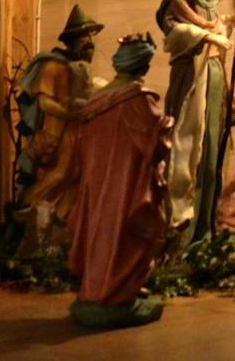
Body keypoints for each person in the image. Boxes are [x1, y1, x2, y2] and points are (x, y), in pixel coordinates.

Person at [67, 34, 173, 329]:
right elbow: (153, 140)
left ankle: (102, 287)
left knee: (101, 230)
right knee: (125, 233)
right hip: (126, 183)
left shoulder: (98, 99)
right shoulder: (136, 99)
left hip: (98, 181)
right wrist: (166, 124)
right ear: (141, 65)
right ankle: (114, 292)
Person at [156, 0, 235, 244]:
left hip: (213, 73)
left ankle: (206, 228)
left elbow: (210, 25)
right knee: (190, 150)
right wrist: (210, 37)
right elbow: (175, 30)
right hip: (193, 77)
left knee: (213, 151)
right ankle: (183, 231)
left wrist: (226, 23)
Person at [15, 4, 103, 227]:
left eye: (91, 36)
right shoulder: (52, 66)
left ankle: (62, 221)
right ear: (73, 39)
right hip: (56, 132)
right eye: (85, 36)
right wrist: (72, 114)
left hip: (76, 132)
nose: (90, 41)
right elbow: (45, 103)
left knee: (75, 175)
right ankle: (28, 213)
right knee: (59, 174)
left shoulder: (78, 68)